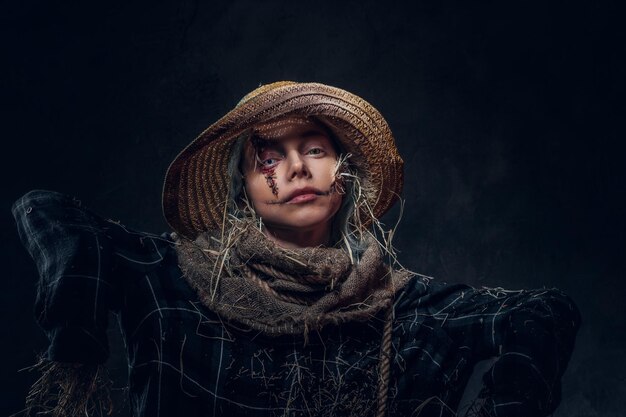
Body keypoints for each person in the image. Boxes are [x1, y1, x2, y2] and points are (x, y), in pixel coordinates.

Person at [13, 81, 580, 417]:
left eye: (314, 149)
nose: (297, 168)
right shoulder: (172, 276)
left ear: (344, 174)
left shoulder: (404, 309)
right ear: (246, 187)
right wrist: (76, 336)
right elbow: (45, 210)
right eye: (269, 157)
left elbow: (542, 314)